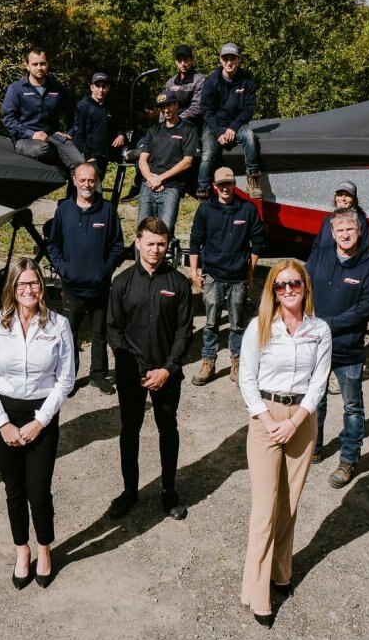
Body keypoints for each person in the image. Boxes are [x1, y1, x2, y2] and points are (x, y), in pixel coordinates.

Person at [238, 260, 332, 626]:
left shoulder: (319, 330)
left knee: (289, 503)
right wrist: (268, 421)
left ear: (305, 286)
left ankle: (281, 571)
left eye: (294, 284)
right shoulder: (259, 326)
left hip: (301, 421)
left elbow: (319, 382)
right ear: (272, 290)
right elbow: (246, 379)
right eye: (280, 286)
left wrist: (295, 421)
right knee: (264, 511)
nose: (288, 290)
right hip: (265, 417)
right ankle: (257, 592)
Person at [0, 258, 74, 588]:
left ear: (42, 287)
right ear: (12, 289)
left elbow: (66, 380)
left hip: (41, 416)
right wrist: (2, 423)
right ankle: (22, 550)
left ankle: (44, 548)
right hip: (4, 415)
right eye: (22, 284)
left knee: (39, 489)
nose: (28, 290)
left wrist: (40, 421)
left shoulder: (58, 325)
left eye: (33, 283)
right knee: (14, 489)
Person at [105, 216, 194, 521]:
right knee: (130, 431)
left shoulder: (179, 284)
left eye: (161, 243)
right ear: (138, 241)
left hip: (167, 376)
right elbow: (113, 331)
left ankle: (169, 491)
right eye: (150, 243)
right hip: (132, 375)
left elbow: (184, 332)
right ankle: (130, 491)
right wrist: (140, 369)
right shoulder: (121, 283)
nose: (155, 249)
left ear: (167, 244)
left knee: (168, 429)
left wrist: (167, 369)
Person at [306, 209, 369, 486]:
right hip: (315, 346)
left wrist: (326, 324)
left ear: (359, 230)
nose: (345, 234)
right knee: (316, 400)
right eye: (340, 230)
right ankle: (314, 447)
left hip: (348, 349)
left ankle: (348, 460)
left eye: (350, 229)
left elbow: (364, 310)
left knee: (352, 407)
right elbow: (303, 288)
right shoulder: (319, 256)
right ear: (332, 232)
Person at [46, 162, 127, 392]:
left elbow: (117, 246)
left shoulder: (108, 210)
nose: (87, 184)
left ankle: (98, 375)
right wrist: (64, 269)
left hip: (99, 286)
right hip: (72, 287)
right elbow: (53, 244)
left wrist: (105, 270)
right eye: (82, 180)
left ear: (97, 181)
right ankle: (69, 378)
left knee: (100, 334)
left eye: (91, 180)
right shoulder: (64, 210)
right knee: (69, 335)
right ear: (74, 180)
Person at [188, 166, 264, 386]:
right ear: (214, 186)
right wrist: (194, 272)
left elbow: (257, 242)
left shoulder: (247, 209)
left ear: (234, 184)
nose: (225, 188)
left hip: (238, 277)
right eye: (221, 185)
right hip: (212, 276)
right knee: (211, 322)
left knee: (237, 323)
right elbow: (195, 241)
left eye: (228, 184)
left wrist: (249, 271)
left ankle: (237, 361)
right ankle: (208, 361)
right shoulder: (205, 210)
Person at [0, 47, 84, 171]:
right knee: (40, 149)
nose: (39, 67)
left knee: (79, 162)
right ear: (27, 66)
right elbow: (8, 119)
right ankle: (61, 162)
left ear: (47, 64)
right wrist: (32, 134)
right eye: (35, 64)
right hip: (24, 139)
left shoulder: (57, 88)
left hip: (53, 136)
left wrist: (70, 133)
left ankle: (75, 189)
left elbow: (74, 112)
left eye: (42, 64)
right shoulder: (16, 89)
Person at [199, 43, 262, 199]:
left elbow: (248, 108)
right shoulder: (211, 81)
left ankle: (252, 180)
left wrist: (233, 128)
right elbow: (206, 110)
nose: (229, 62)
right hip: (214, 125)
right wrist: (219, 131)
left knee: (250, 137)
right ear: (220, 60)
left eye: (232, 58)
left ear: (238, 60)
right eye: (225, 58)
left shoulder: (247, 80)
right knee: (207, 154)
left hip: (237, 123)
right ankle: (203, 189)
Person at [136, 89, 199, 239]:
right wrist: (151, 179)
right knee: (142, 230)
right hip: (149, 185)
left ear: (176, 105)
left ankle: (162, 262)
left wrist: (161, 178)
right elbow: (143, 159)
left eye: (169, 105)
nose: (166, 110)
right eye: (162, 107)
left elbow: (187, 162)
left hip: (171, 187)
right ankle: (141, 262)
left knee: (165, 230)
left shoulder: (188, 129)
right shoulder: (154, 130)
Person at [165, 44, 211, 196]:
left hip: (195, 125)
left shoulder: (200, 80)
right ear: (175, 62)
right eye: (180, 60)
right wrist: (162, 125)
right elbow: (164, 106)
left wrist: (176, 119)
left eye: (186, 60)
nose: (183, 63)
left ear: (191, 61)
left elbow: (197, 108)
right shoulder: (170, 82)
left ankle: (195, 185)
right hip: (173, 122)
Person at [71, 72, 127, 186]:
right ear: (91, 87)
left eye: (104, 86)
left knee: (95, 190)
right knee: (82, 190)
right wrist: (87, 156)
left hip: (103, 157)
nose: (101, 90)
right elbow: (77, 135)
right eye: (97, 86)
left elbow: (118, 125)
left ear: (108, 88)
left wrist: (121, 135)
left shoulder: (110, 107)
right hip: (85, 158)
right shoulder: (82, 106)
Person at [310, 181, 369, 253]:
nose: (343, 198)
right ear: (335, 197)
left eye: (348, 195)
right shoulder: (328, 219)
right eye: (340, 194)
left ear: (354, 200)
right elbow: (317, 245)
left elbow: (365, 252)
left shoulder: (361, 222)